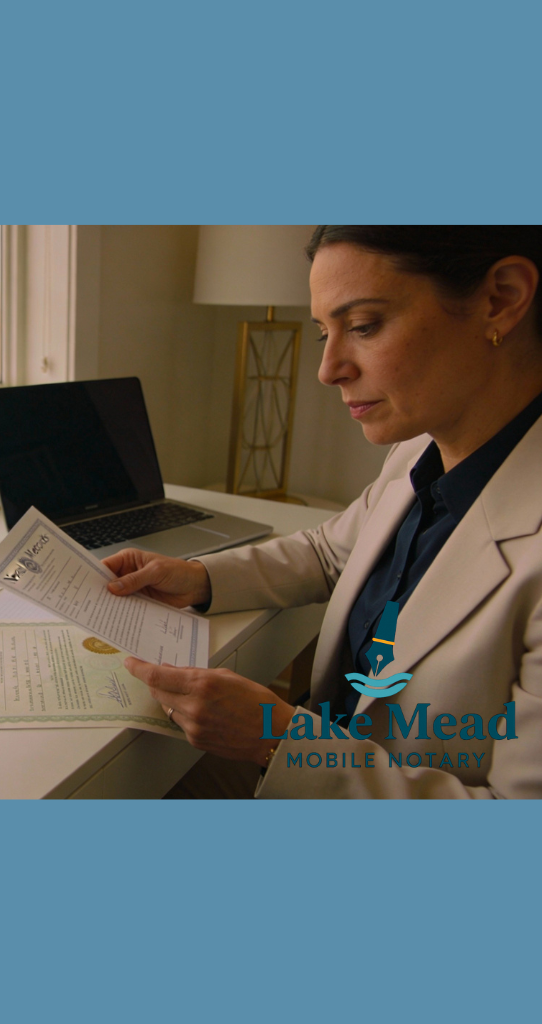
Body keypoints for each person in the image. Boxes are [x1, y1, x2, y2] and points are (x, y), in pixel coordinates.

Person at [105, 226, 542, 798]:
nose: (329, 368)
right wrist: (200, 577)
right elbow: (331, 550)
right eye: (323, 334)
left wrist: (280, 739)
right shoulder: (420, 446)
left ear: (501, 298)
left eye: (363, 326)